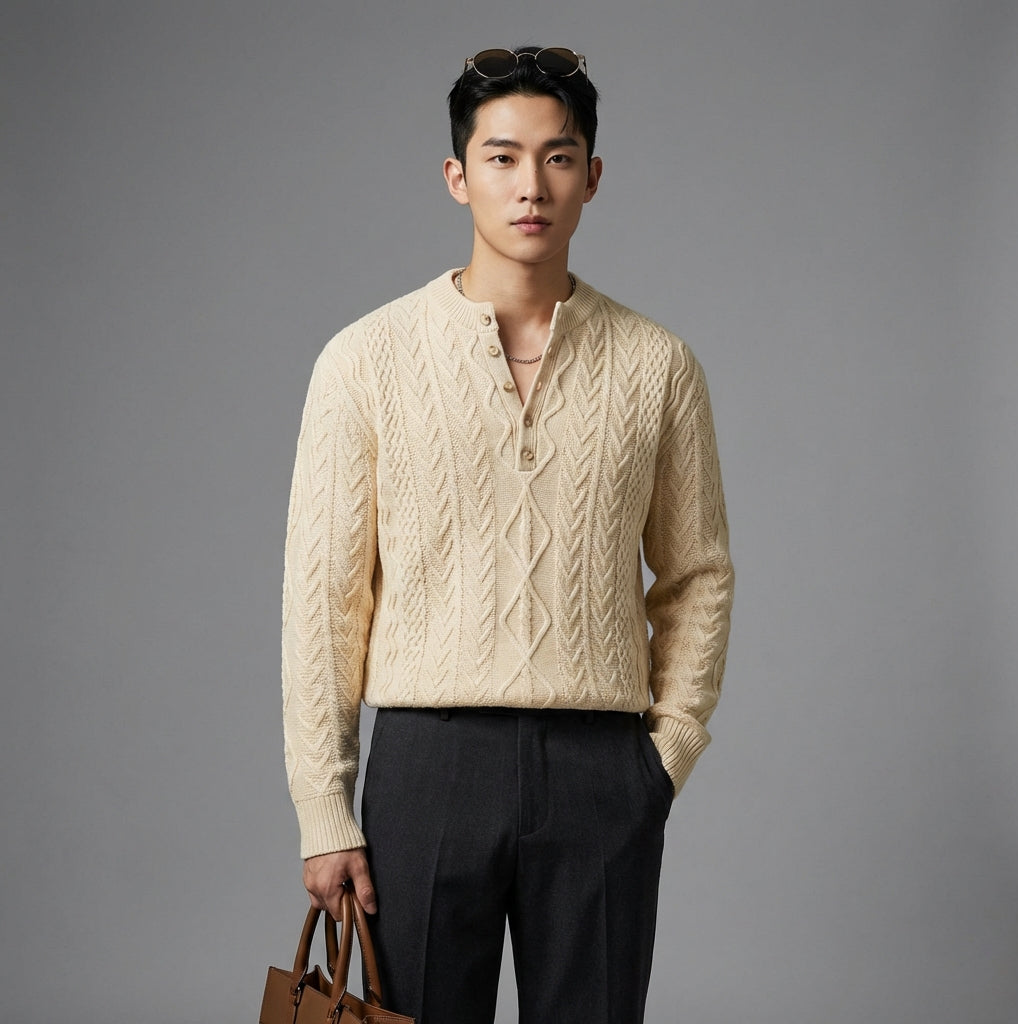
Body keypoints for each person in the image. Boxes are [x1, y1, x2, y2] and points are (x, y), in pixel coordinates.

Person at [282, 45, 734, 1024]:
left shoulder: (657, 365)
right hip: (428, 762)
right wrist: (325, 808)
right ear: (458, 176)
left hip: (603, 767)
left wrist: (667, 751)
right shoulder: (365, 360)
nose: (531, 184)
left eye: (558, 157)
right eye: (502, 157)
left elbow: (696, 572)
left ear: (592, 177)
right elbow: (324, 598)